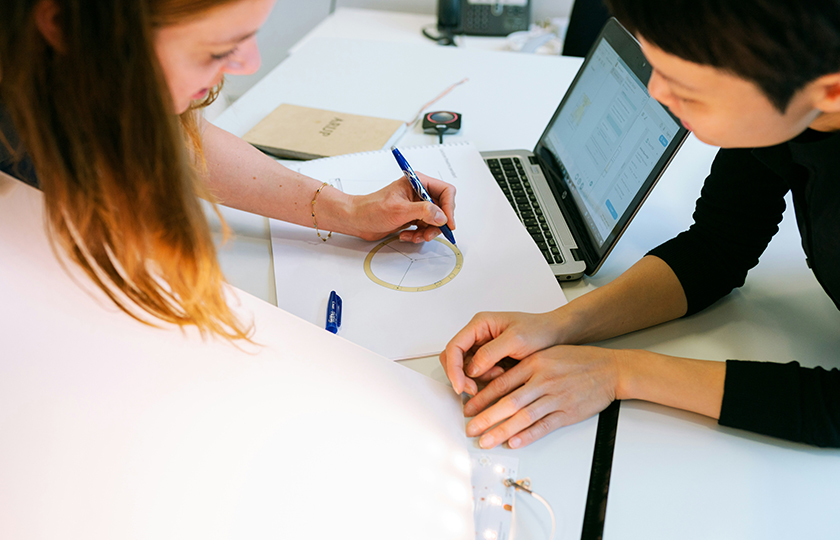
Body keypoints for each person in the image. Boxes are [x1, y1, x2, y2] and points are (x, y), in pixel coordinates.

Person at [440, 0, 840, 449]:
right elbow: (718, 249)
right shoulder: (780, 110)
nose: (656, 94)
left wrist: (619, 372)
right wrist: (556, 325)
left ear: (830, 91)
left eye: (687, 88)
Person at [0, 0, 456, 341]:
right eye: (219, 48)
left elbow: (181, 137)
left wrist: (348, 211)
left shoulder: (90, 73)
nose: (250, 63)